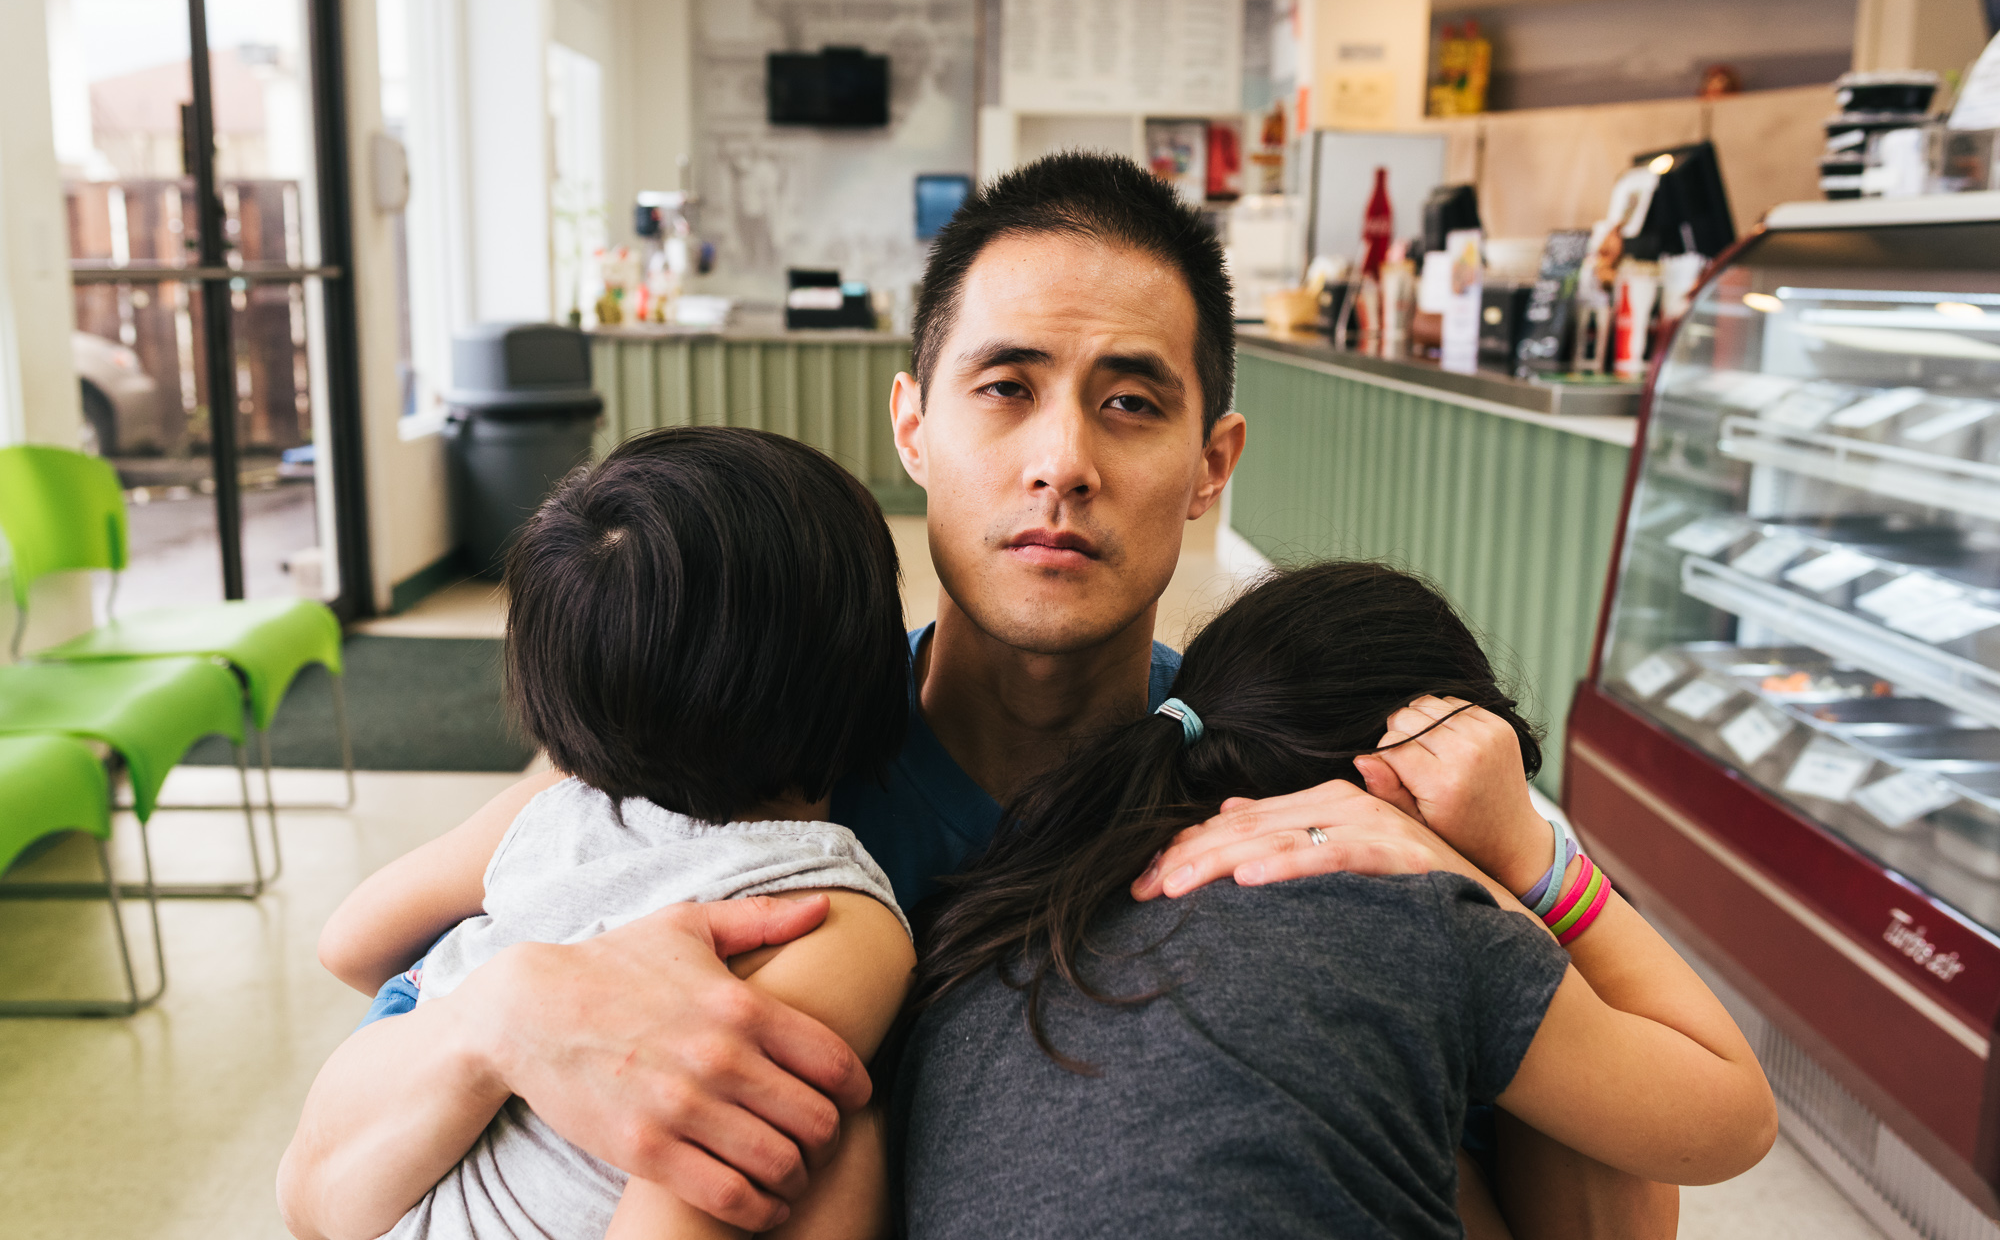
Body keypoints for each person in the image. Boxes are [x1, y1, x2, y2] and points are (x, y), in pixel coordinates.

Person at [277, 152, 1674, 1239]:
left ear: (1212, 462)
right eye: (1006, 386)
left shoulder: (1293, 788)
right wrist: (504, 1010)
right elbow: (320, 1188)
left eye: (1130, 401)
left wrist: (1519, 860)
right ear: (915, 427)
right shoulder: (730, 740)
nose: (1060, 457)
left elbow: (1622, 1192)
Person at [898, 561, 1777, 1237]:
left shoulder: (1022, 892)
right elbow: (1731, 1121)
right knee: (1590, 1093)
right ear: (1403, 786)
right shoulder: (1412, 916)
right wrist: (1519, 861)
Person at [329, 427, 916, 1240]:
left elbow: (350, 944)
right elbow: (696, 1188)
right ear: (868, 664)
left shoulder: (539, 811)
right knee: (846, 1132)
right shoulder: (832, 911)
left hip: (396, 1197)